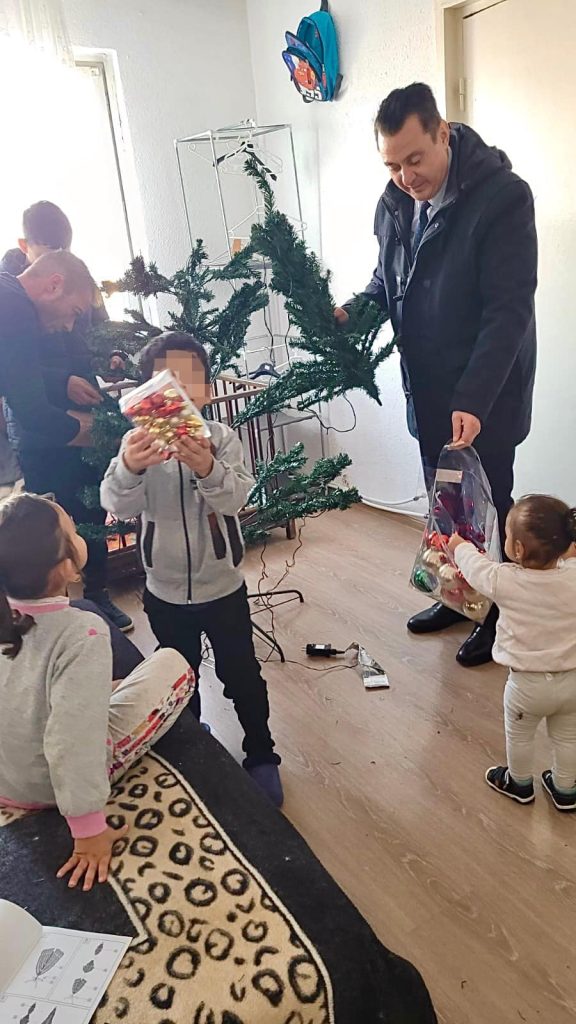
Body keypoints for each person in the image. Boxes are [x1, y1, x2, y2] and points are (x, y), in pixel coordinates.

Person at [336, 83, 538, 667]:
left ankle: (499, 617)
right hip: (425, 389)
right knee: (446, 502)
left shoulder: (503, 198)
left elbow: (508, 312)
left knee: (490, 505)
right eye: (392, 165)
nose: (406, 176)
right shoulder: (394, 203)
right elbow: (387, 282)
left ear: (442, 133)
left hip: (485, 393)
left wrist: (473, 398)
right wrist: (349, 315)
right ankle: (458, 597)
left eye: (415, 159)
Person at [100, 331, 283, 807]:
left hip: (222, 586)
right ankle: (193, 744)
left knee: (242, 675)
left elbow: (236, 499)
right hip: (163, 590)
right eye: (168, 380)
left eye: (191, 379)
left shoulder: (222, 438)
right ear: (148, 391)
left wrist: (207, 468)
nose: (181, 390)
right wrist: (130, 467)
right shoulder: (136, 443)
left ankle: (261, 753)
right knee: (178, 677)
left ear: (206, 388)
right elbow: (117, 505)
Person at [0, 492, 194, 890]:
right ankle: (90, 700)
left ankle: (88, 695)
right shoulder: (81, 633)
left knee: (75, 696)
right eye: (72, 530)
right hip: (46, 787)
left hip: (5, 775)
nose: (79, 533)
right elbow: (71, 742)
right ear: (67, 568)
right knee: (173, 663)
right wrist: (87, 830)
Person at [0, 202, 132, 632]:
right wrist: (105, 433)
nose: (73, 325)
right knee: (44, 521)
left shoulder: (27, 297)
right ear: (53, 284)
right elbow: (30, 407)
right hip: (43, 432)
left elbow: (19, 370)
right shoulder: (11, 303)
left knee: (89, 511)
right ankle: (46, 616)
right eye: (74, 314)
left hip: (68, 410)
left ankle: (89, 599)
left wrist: (77, 376)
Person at [449, 496, 576, 811]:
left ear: (518, 549)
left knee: (520, 735)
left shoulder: (504, 579)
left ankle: (519, 783)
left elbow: (476, 567)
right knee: (568, 738)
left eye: (506, 535)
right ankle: (565, 789)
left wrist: (459, 546)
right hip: (571, 682)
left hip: (526, 687)